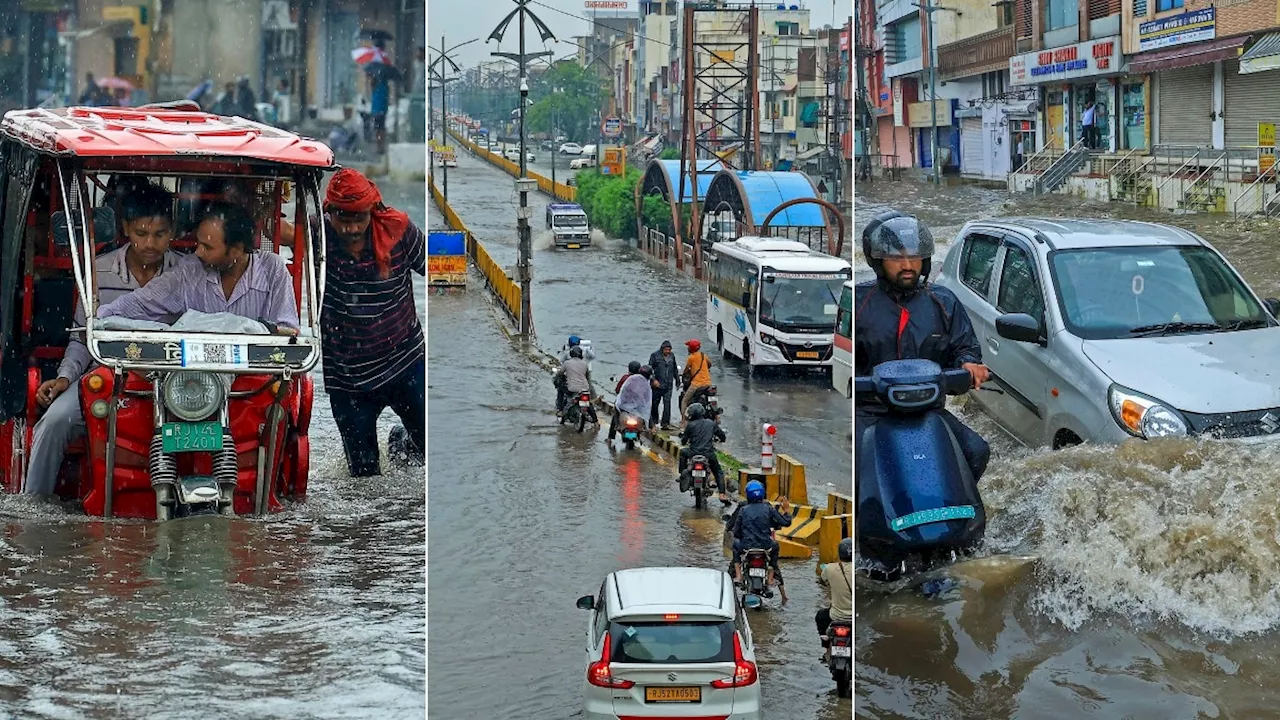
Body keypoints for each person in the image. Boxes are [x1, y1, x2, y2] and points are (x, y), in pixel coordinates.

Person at [24, 183, 184, 497]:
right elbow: (82, 339)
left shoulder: (186, 272)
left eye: (159, 234)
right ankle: (34, 502)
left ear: (173, 232)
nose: (149, 244)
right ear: (125, 229)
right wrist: (64, 378)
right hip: (105, 377)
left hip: (170, 382)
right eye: (141, 233)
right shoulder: (99, 271)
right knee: (54, 421)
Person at [854, 210, 991, 492]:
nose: (907, 265)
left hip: (927, 411)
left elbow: (965, 347)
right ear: (878, 261)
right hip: (871, 414)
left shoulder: (943, 302)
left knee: (976, 451)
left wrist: (968, 365)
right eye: (896, 258)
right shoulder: (857, 303)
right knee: (860, 472)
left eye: (914, 257)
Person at [320, 168, 426, 476]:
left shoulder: (399, 231)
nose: (352, 229)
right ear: (330, 213)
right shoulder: (319, 237)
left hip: (405, 362)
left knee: (427, 447)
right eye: (344, 219)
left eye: (359, 219)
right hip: (348, 378)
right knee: (364, 477)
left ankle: (400, 441)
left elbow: (433, 269)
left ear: (372, 212)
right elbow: (278, 231)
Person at [98, 201, 298, 332]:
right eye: (198, 243)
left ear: (236, 249)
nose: (198, 252)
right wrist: (99, 319)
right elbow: (142, 302)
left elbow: (288, 331)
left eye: (207, 247)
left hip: (256, 381)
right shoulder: (191, 269)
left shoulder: (272, 269)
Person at [731, 480, 792, 602]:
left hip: (747, 546)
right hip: (765, 546)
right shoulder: (768, 509)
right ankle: (770, 578)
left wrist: (740, 536)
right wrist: (786, 510)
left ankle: (738, 575)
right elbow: (786, 522)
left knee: (735, 545)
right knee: (775, 549)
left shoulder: (743, 510)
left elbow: (736, 531)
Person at [677, 403, 732, 503]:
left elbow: (684, 441)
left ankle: (682, 475)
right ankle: (722, 494)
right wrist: (722, 439)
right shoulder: (711, 423)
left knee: (682, 452)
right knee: (718, 472)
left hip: (693, 453)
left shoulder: (690, 425)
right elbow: (722, 436)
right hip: (708, 454)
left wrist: (684, 441)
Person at [815, 537, 853, 664]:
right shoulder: (859, 570)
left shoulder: (830, 568)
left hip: (836, 616)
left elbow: (822, 581)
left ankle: (827, 649)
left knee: (820, 616)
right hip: (854, 618)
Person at [610, 365, 652, 442]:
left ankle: (611, 435)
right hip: (637, 408)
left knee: (615, 410)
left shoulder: (628, 379)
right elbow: (647, 401)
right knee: (647, 410)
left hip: (625, 406)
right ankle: (648, 427)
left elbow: (620, 391)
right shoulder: (646, 384)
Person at [679, 339, 713, 426]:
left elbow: (686, 370)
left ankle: (684, 421)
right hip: (708, 383)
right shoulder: (703, 355)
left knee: (684, 401)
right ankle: (717, 417)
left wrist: (683, 374)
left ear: (690, 349)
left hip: (696, 384)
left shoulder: (691, 358)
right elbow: (710, 364)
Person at [648, 340, 679, 430]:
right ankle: (654, 421)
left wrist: (677, 380)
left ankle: (665, 423)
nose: (667, 352)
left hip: (668, 384)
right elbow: (650, 369)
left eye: (669, 350)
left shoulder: (672, 356)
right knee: (655, 403)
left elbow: (675, 369)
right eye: (666, 350)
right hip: (657, 385)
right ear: (662, 349)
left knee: (667, 403)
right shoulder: (655, 356)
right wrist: (653, 380)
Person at [555, 346, 593, 414]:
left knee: (560, 390)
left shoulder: (567, 363)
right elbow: (587, 378)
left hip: (573, 389)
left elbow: (560, 373)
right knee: (589, 404)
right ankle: (595, 422)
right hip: (585, 389)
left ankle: (560, 410)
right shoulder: (585, 364)